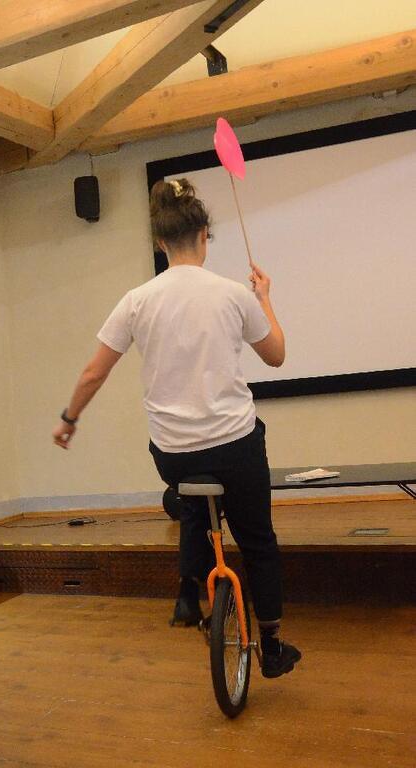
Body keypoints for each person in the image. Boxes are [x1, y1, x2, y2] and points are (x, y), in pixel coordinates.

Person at [52, 178, 301, 679]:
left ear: (160, 241)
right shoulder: (233, 294)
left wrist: (69, 419)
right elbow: (276, 355)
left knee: (189, 497)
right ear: (205, 234)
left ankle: (189, 588)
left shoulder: (136, 300)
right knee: (258, 539)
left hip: (174, 454)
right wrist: (265, 298)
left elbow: (93, 373)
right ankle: (272, 644)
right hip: (235, 446)